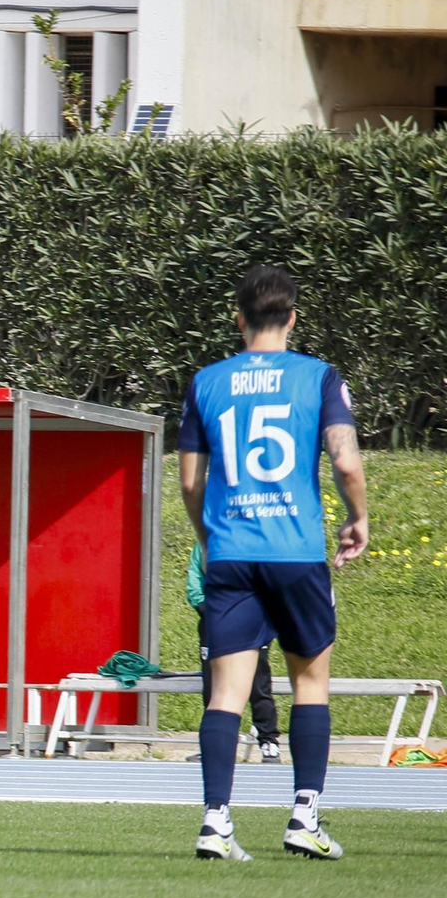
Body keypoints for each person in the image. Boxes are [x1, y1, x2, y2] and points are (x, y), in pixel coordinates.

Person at [178, 264, 367, 861]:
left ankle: (215, 823)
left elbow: (189, 479)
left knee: (225, 695)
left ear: (239, 319)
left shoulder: (206, 381)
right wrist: (357, 515)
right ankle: (303, 817)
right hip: (294, 551)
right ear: (291, 318)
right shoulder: (317, 376)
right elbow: (345, 461)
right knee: (309, 683)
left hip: (231, 552)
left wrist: (207, 536)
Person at [188, 540, 280, 763]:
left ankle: (268, 741)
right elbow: (194, 584)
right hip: (214, 621)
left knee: (259, 684)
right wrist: (209, 610)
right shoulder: (203, 544)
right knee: (213, 686)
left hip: (252, 621)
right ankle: (216, 743)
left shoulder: (259, 542)